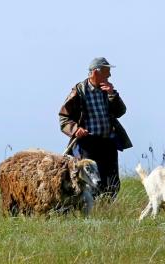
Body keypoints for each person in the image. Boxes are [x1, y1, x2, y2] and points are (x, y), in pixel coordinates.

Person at [59, 57, 132, 200]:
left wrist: (113, 94)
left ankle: (107, 207)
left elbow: (120, 112)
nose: (109, 76)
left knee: (112, 180)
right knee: (90, 179)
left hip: (108, 141)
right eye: (107, 72)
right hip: (88, 144)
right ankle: (90, 208)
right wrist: (75, 130)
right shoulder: (79, 91)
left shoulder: (108, 90)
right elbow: (64, 118)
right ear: (95, 72)